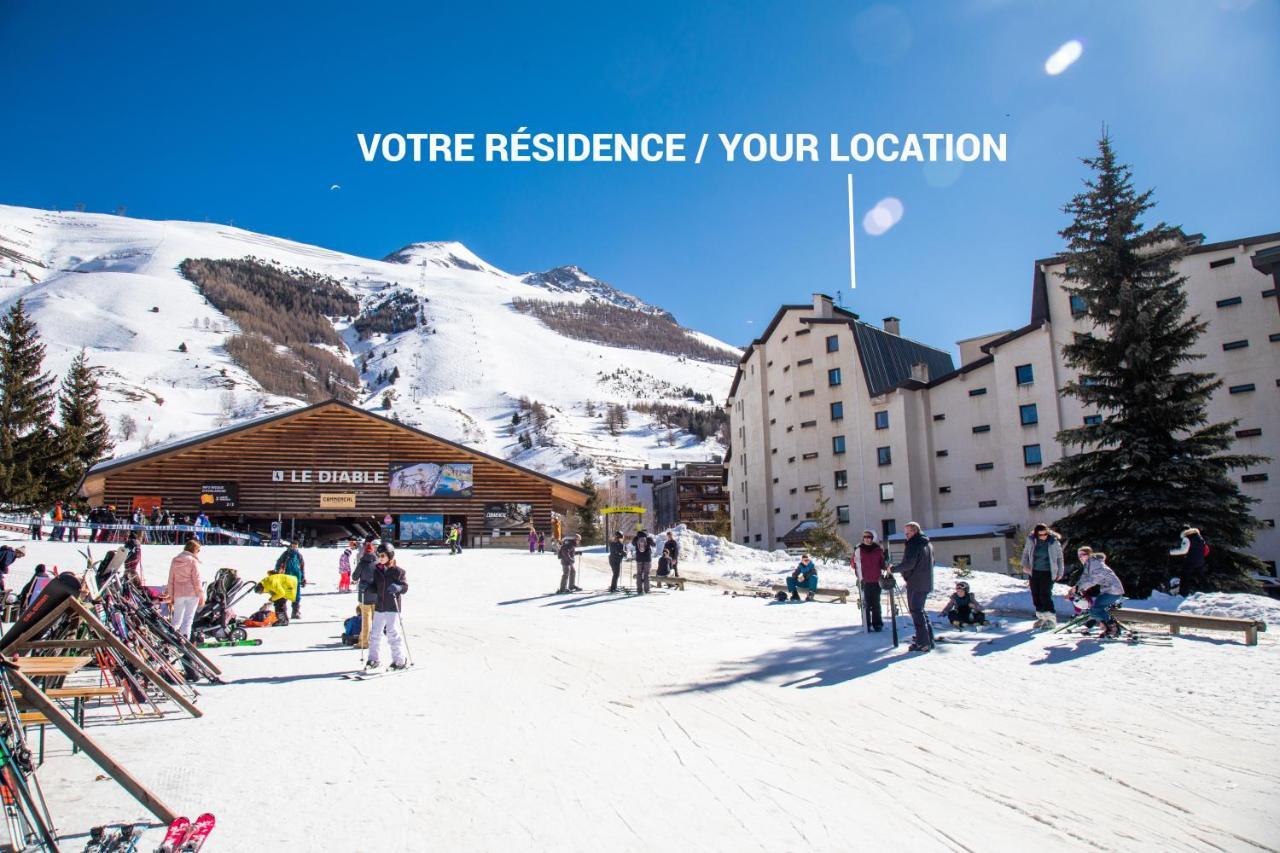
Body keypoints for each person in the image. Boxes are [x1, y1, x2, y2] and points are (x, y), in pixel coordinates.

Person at [366, 545, 409, 671]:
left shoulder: (398, 571)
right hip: (380, 606)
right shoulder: (377, 570)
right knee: (375, 634)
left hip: (392, 606)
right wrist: (367, 586)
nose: (380, 558)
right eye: (378, 556)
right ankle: (373, 659)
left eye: (383, 555)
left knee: (392, 633)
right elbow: (375, 586)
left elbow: (405, 587)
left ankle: (399, 660)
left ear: (390, 555)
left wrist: (398, 588)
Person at [894, 521, 935, 652]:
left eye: (908, 532)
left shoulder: (914, 543)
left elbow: (909, 564)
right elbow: (932, 562)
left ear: (915, 531)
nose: (906, 535)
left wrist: (894, 569)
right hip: (925, 582)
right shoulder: (927, 544)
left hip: (916, 583)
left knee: (916, 611)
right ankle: (928, 639)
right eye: (905, 533)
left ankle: (923, 643)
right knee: (921, 610)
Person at [1071, 547, 1125, 638]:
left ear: (1089, 554)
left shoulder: (1095, 563)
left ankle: (1113, 628)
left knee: (1095, 609)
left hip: (1113, 590)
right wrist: (1076, 587)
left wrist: (1079, 588)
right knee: (1094, 610)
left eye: (1083, 554)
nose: (1080, 557)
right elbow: (1084, 578)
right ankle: (1110, 628)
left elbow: (1093, 580)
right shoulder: (1089, 564)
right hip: (1108, 590)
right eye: (1079, 555)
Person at [1020, 523, 1065, 630]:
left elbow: (1059, 558)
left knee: (1045, 594)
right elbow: (1026, 554)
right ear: (1036, 534)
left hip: (1048, 572)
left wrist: (1060, 572)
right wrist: (1025, 566)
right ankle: (1042, 617)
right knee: (1035, 594)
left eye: (1045, 534)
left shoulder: (1053, 542)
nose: (1043, 536)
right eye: (1040, 535)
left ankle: (1051, 619)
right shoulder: (1031, 541)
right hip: (1034, 571)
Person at [166, 540, 205, 640]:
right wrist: (201, 595)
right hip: (192, 594)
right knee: (188, 620)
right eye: (198, 550)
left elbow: (171, 579)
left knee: (176, 619)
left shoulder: (175, 560)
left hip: (178, 594)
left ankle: (170, 638)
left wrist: (171, 595)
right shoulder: (193, 561)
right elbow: (197, 580)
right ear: (194, 550)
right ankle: (185, 639)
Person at [852, 531, 885, 631]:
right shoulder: (859, 549)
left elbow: (882, 564)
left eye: (869, 537)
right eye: (865, 537)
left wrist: (886, 560)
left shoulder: (877, 549)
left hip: (876, 579)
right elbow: (854, 564)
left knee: (876, 603)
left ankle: (877, 624)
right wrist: (854, 563)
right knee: (865, 603)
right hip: (864, 580)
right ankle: (867, 623)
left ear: (872, 538)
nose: (867, 539)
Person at [351, 538, 378, 648]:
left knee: (366, 620)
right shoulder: (378, 563)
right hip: (376, 594)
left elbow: (354, 577)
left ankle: (364, 642)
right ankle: (376, 641)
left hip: (364, 594)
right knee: (376, 620)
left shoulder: (362, 563)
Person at [1170, 527, 1209, 596]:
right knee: (1201, 577)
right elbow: (1206, 550)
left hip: (1190, 561)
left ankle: (1183, 593)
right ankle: (1208, 591)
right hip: (1200, 561)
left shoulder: (1187, 538)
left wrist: (1171, 552)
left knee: (1185, 576)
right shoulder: (1200, 537)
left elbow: (1184, 550)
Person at [275, 541, 306, 619]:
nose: (294, 548)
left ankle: (295, 612)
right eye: (293, 546)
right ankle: (283, 613)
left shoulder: (299, 555)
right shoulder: (285, 554)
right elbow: (278, 564)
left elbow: (302, 567)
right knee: (284, 595)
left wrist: (303, 577)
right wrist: (278, 573)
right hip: (286, 578)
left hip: (296, 578)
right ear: (290, 546)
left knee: (296, 596)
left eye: (296, 546)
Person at [632, 529, 655, 594]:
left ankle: (639, 590)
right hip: (647, 559)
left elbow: (633, 544)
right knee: (646, 574)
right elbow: (654, 544)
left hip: (639, 558)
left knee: (639, 574)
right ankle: (647, 590)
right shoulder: (648, 538)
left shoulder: (636, 538)